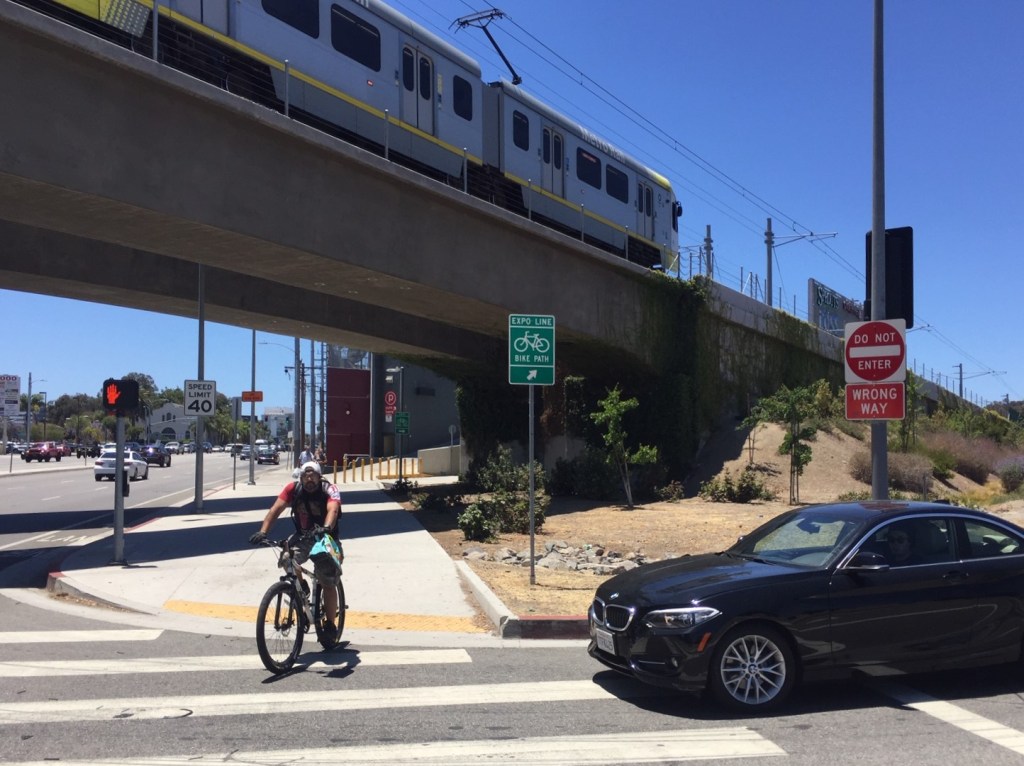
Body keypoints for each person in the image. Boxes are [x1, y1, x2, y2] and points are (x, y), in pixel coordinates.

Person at [249, 461, 343, 640]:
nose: (309, 479)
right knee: (286, 558)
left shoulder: (329, 489)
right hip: (303, 536)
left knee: (326, 579)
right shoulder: (293, 489)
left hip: (325, 538)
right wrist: (263, 532)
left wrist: (325, 527)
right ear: (300, 478)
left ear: (319, 476)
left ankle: (330, 624)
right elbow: (275, 509)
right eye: (305, 476)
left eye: (313, 476)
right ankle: (302, 589)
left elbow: (333, 509)